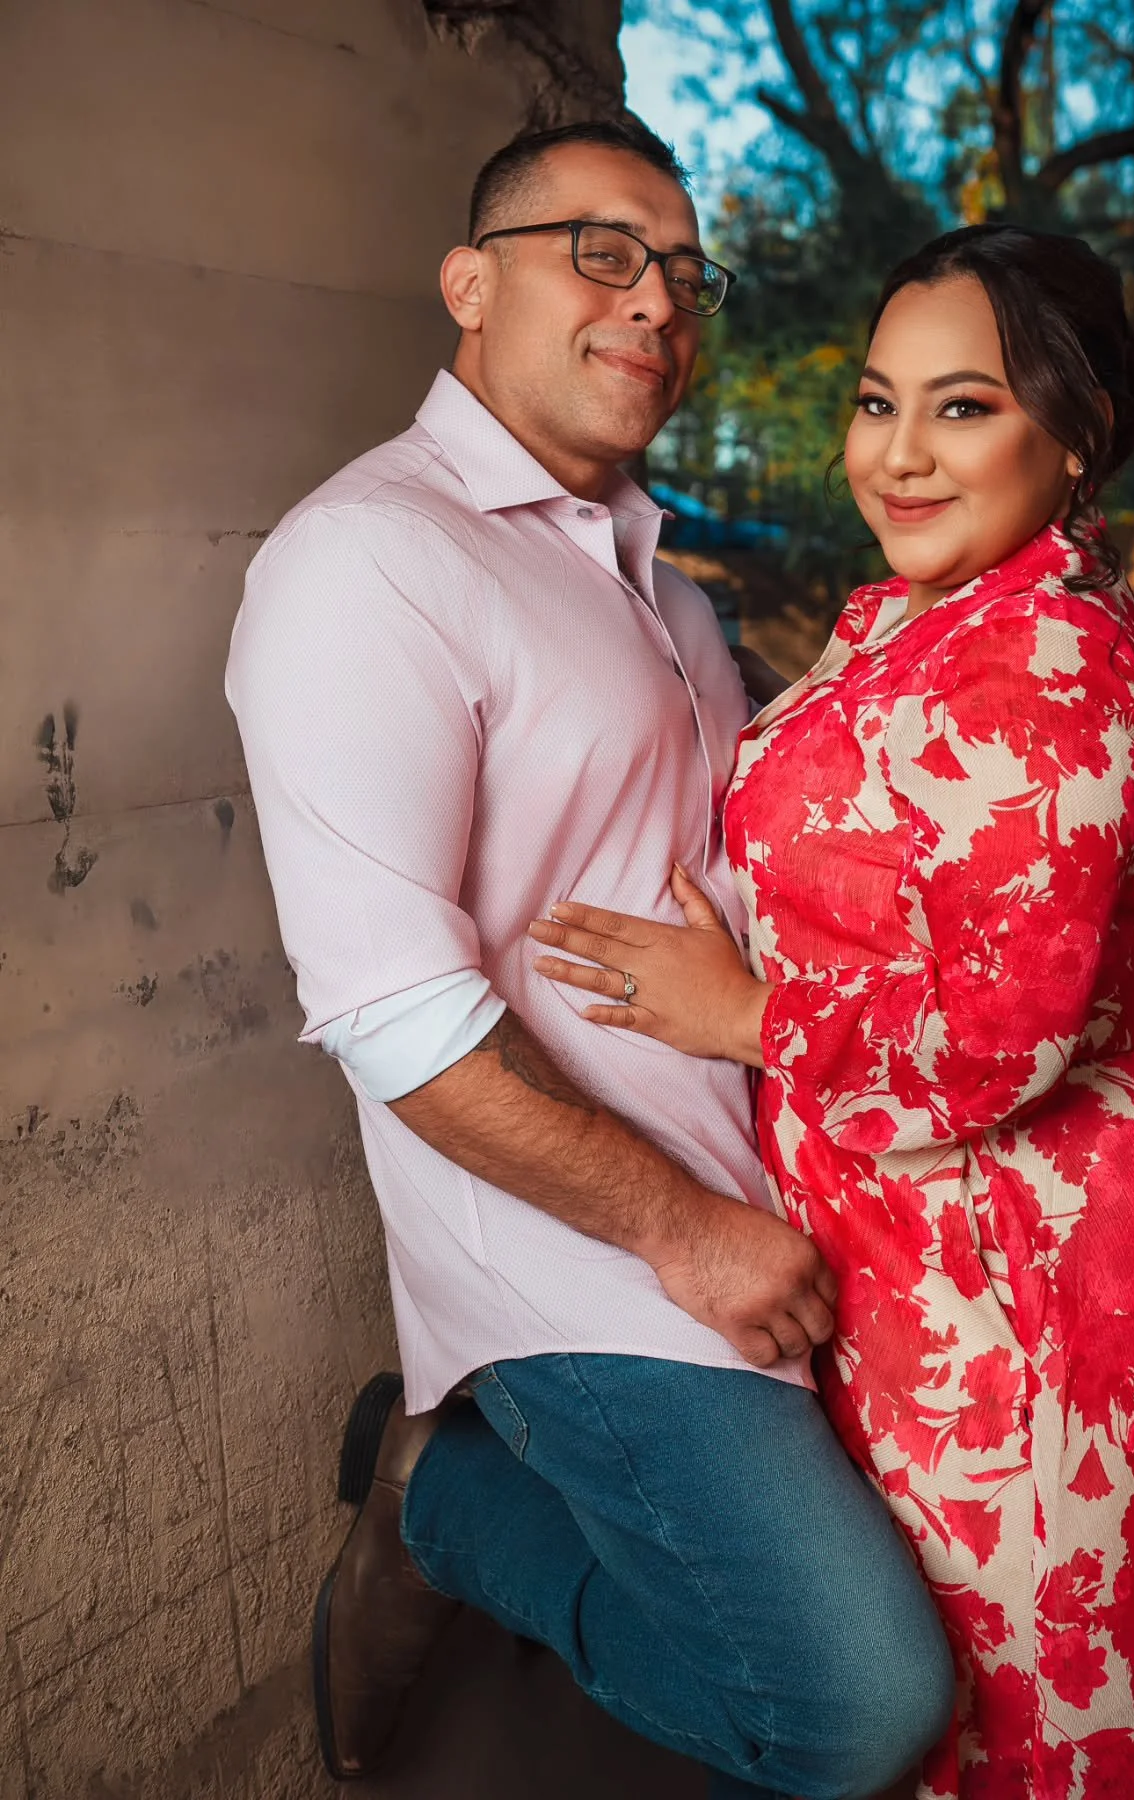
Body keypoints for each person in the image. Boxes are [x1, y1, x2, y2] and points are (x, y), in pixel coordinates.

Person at [528, 224, 1134, 1800]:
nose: (901, 454)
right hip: (943, 1253)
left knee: (1071, 1700)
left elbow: (1000, 1036)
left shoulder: (1053, 661)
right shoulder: (933, 618)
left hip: (1039, 1273)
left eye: (964, 407)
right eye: (878, 403)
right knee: (1098, 1690)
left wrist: (742, 1019)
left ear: (1075, 437)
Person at [225, 119, 953, 1799]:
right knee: (852, 1706)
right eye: (603, 252)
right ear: (470, 286)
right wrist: (688, 1237)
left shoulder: (663, 586)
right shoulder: (367, 563)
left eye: (687, 274)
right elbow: (394, 1015)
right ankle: (444, 1499)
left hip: (768, 1197)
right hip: (599, 1257)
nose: (658, 305)